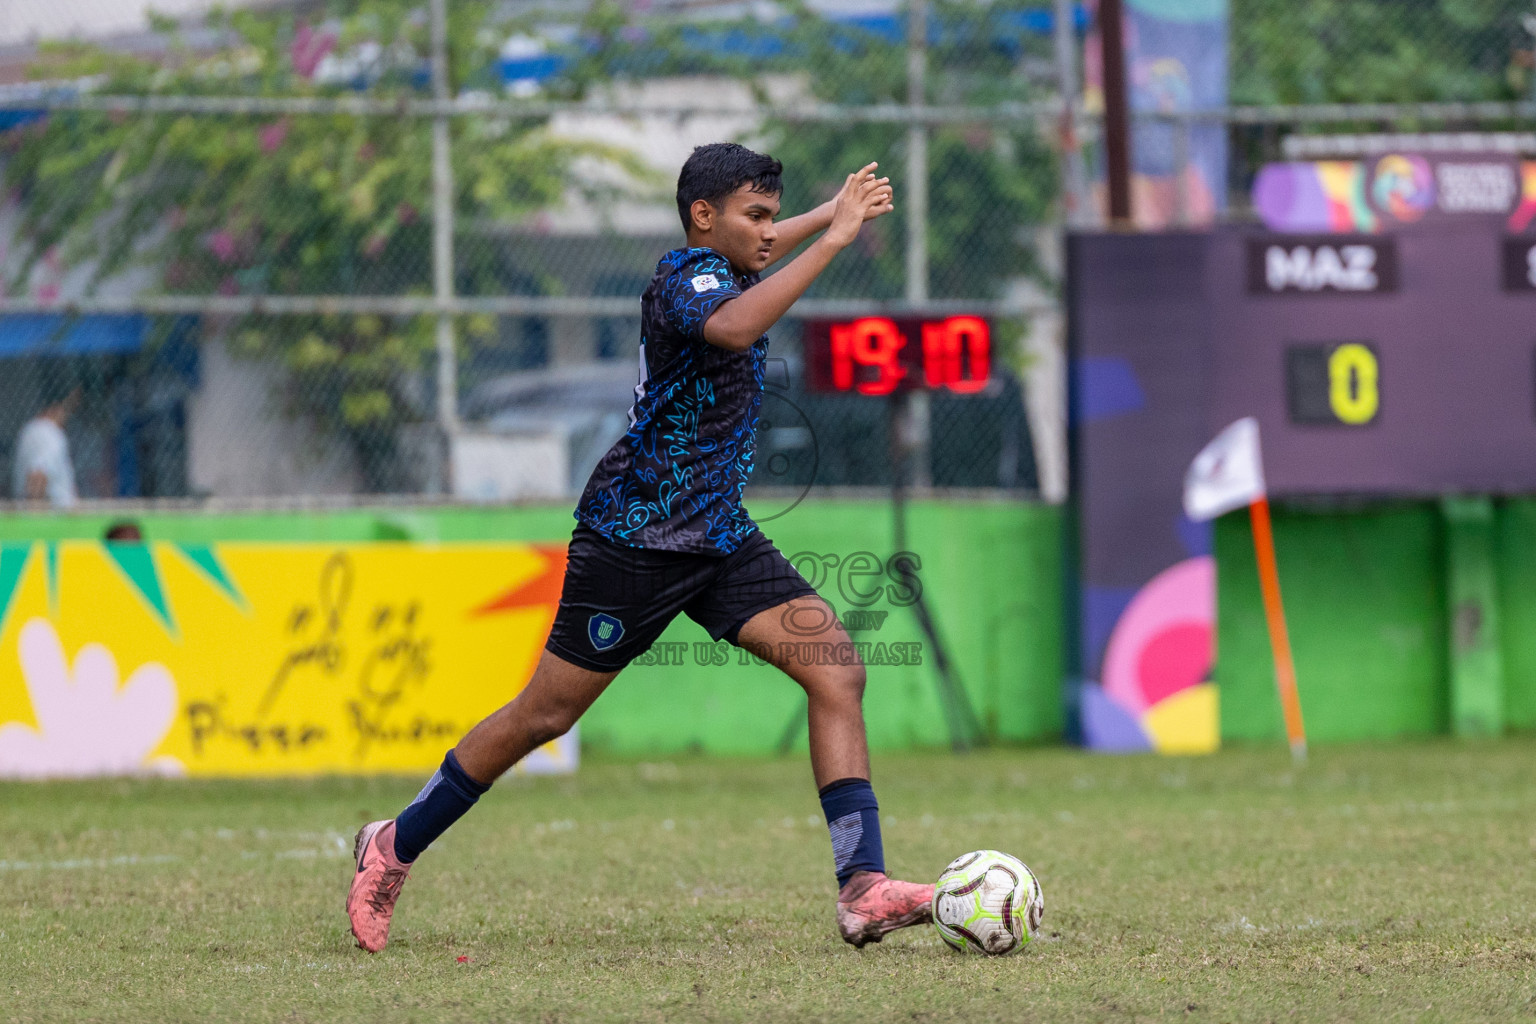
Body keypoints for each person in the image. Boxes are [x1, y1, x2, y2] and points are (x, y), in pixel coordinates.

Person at [347, 143, 931, 952]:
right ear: (703, 217)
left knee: (836, 667)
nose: (768, 232)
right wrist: (832, 240)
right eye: (754, 216)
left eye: (773, 217)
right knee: (541, 715)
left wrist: (829, 215)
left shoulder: (728, 261)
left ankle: (862, 886)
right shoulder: (686, 281)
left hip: (718, 536)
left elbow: (755, 257)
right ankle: (393, 845)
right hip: (636, 537)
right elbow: (732, 328)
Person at [11, 373, 80, 508]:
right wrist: (37, 519)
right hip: (52, 520)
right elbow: (37, 476)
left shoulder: (31, 429)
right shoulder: (49, 432)